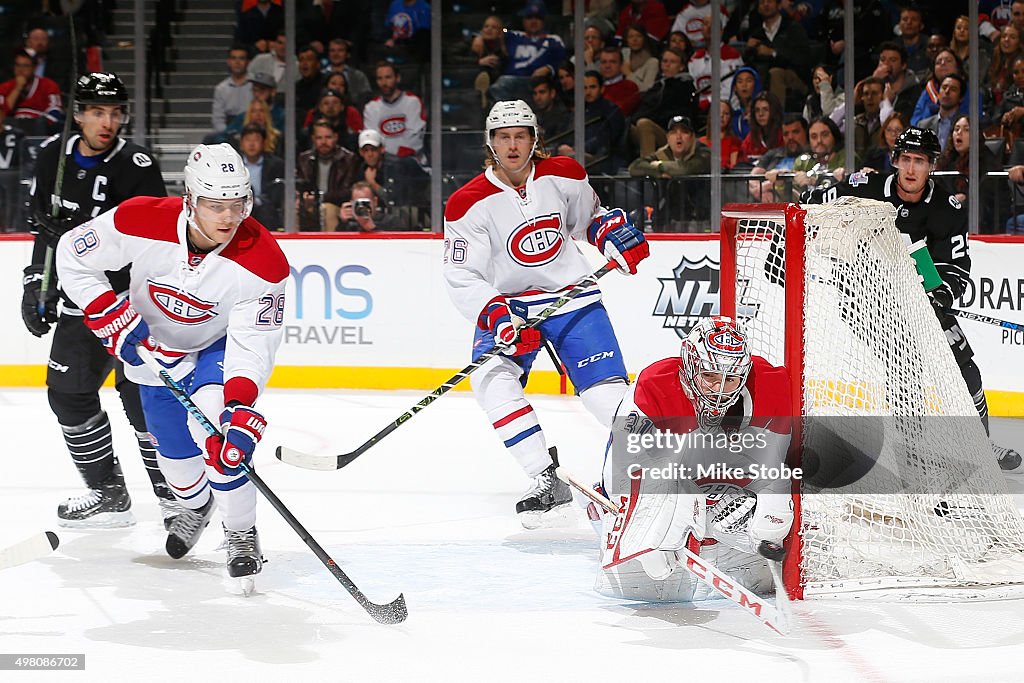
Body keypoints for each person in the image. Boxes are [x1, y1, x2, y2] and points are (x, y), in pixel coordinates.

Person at [54, 143, 289, 585]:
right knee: (176, 463)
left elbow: (252, 344)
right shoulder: (141, 218)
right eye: (215, 205)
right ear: (190, 199)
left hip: (217, 350)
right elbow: (72, 253)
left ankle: (241, 533)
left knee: (220, 439)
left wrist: (239, 407)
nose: (227, 217)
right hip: (157, 351)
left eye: (236, 204)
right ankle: (196, 505)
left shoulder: (264, 262)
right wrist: (106, 309)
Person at [443, 100, 650, 528]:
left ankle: (631, 483)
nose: (513, 145)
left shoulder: (564, 174)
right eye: (504, 137)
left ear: (535, 139)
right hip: (512, 308)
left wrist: (613, 236)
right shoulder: (467, 204)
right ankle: (545, 478)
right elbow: (462, 274)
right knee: (491, 382)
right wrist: (497, 315)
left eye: (521, 135)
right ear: (490, 142)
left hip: (572, 298)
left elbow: (589, 220)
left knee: (609, 401)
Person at [805, 128, 1021, 471]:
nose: (910, 169)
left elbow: (956, 265)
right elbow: (819, 199)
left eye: (919, 161)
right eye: (905, 159)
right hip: (867, 299)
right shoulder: (869, 188)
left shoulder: (946, 209)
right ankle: (911, 446)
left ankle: (982, 444)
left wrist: (941, 295)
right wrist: (810, 198)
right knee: (903, 365)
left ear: (931, 166)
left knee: (964, 366)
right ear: (894, 161)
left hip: (923, 303)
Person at [20, 72, 177, 529]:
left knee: (143, 402)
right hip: (81, 302)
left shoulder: (139, 166)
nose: (106, 121)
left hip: (132, 304)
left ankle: (176, 498)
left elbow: (154, 242)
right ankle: (108, 491)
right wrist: (36, 283)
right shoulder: (52, 155)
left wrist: (74, 237)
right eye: (95, 112)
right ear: (78, 115)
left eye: (114, 112)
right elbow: (43, 228)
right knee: (67, 396)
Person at [595, 317, 794, 603]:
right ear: (689, 365)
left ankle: (717, 538)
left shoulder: (769, 385)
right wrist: (647, 532)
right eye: (711, 376)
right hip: (664, 479)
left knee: (772, 516)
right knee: (669, 501)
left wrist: (771, 502)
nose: (719, 389)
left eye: (732, 379)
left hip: (716, 484)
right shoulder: (654, 386)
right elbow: (619, 476)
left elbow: (772, 464)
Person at [297, 119, 359, 231]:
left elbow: (348, 191)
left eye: (328, 137)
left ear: (335, 137)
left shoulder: (348, 159)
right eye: (319, 138)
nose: (323, 142)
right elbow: (301, 185)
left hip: (337, 206)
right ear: (313, 139)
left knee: (327, 209)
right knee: (293, 209)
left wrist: (321, 197)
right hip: (310, 205)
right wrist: (305, 198)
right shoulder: (304, 159)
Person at [362, 61, 427, 161]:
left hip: (413, 162)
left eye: (388, 77)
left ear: (397, 78)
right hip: (383, 163)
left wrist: (388, 151)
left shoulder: (413, 102)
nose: (384, 83)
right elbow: (372, 141)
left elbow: (414, 138)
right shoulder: (371, 107)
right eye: (380, 78)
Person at [748, 113, 809, 202]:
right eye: (786, 134)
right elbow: (752, 176)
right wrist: (761, 192)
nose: (790, 137)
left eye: (795, 132)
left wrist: (768, 185)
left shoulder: (812, 158)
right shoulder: (773, 154)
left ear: (806, 132)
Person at [0, 49, 63, 134]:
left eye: (25, 66)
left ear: (34, 67)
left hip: (39, 132)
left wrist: (35, 124)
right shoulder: (5, 87)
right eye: (17, 65)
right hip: (10, 133)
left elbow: (55, 114)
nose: (20, 70)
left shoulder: (49, 85)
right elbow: (2, 113)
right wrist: (18, 88)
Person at [238, 124, 285, 229]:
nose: (251, 144)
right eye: (248, 140)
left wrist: (258, 201)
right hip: (240, 205)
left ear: (263, 143)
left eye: (256, 140)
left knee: (265, 210)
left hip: (266, 207)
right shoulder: (234, 164)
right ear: (241, 143)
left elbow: (277, 193)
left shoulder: (276, 164)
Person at [210, 44, 253, 136]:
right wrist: (228, 134)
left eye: (241, 58)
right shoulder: (221, 89)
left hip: (253, 131)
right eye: (234, 58)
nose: (237, 62)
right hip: (228, 132)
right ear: (228, 62)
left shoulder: (256, 86)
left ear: (248, 62)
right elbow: (218, 119)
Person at [339, 180, 405, 231]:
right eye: (358, 203)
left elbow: (395, 246)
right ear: (352, 204)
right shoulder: (349, 224)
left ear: (375, 201)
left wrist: (372, 228)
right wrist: (343, 223)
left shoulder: (392, 222)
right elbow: (337, 246)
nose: (362, 207)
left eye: (365, 203)